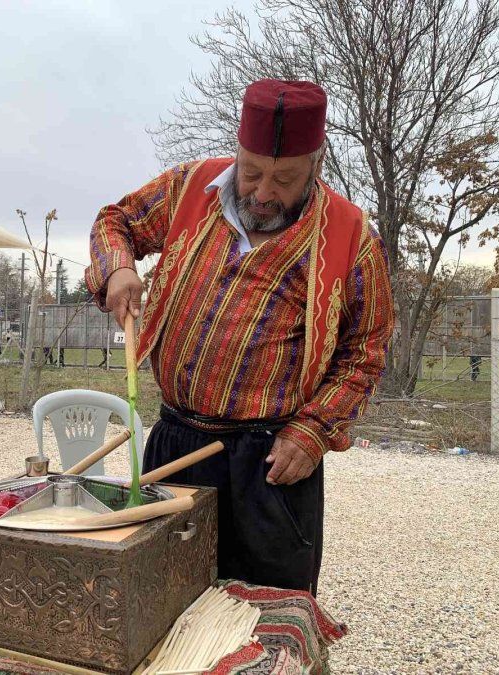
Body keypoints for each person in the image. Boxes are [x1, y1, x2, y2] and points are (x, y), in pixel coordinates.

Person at [85, 79, 394, 594]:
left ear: (316, 165)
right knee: (160, 600)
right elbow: (114, 222)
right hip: (176, 444)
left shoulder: (351, 235)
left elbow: (366, 350)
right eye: (251, 172)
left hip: (269, 464)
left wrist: (313, 432)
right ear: (238, 150)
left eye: (284, 179)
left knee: (263, 610)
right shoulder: (190, 187)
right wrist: (118, 268)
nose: (263, 193)